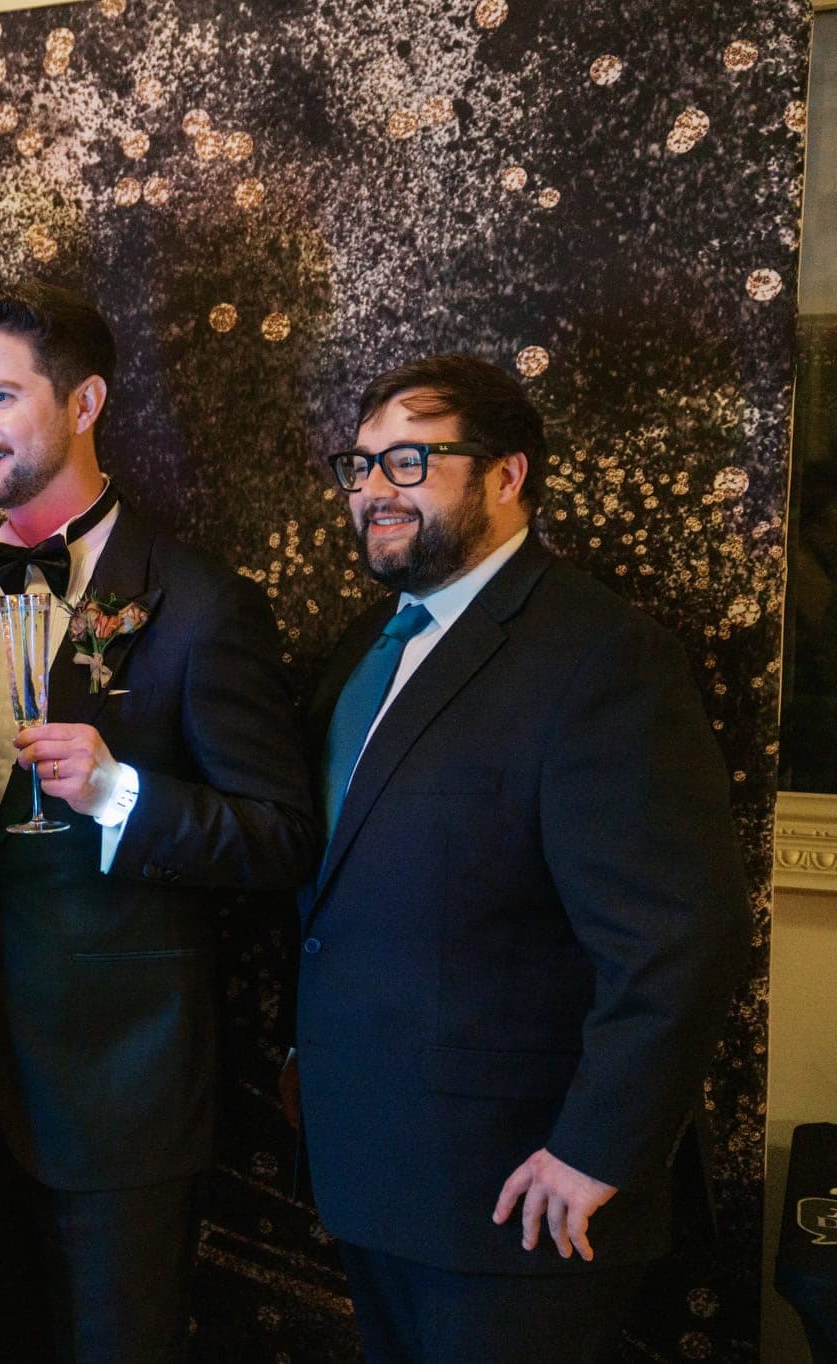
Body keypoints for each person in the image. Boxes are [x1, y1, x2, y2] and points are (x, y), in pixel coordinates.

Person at [291, 353, 748, 1363]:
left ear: (506, 475)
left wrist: (594, 1150)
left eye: (410, 461)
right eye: (359, 464)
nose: (373, 489)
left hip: (524, 1198)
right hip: (375, 1173)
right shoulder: (364, 647)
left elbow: (681, 938)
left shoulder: (601, 654)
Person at [0, 282, 317, 1363]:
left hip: (123, 1097)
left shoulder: (200, 603)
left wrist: (120, 797)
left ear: (84, 403)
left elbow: (279, 835)